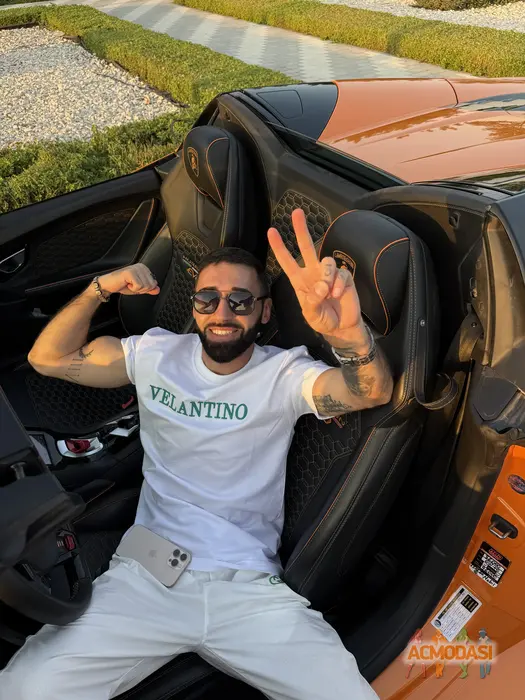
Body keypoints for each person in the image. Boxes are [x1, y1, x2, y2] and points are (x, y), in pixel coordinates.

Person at [0, 209, 393, 700]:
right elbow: (47, 359)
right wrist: (100, 289)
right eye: (208, 298)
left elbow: (369, 391)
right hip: (147, 576)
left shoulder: (284, 373)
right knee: (25, 687)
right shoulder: (155, 353)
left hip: (247, 589)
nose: (222, 312)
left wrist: (349, 335)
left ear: (264, 312)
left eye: (240, 300)